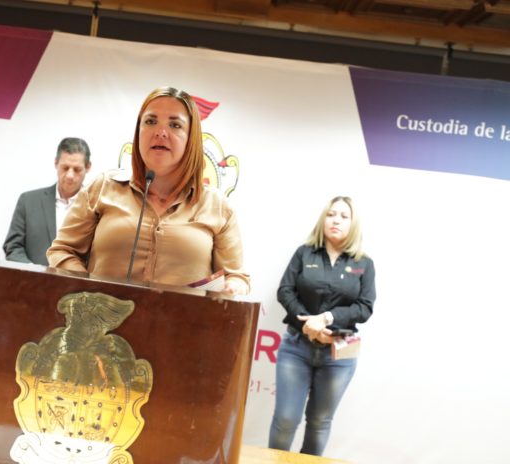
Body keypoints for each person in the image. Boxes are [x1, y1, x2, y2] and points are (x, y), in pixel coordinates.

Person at [47, 86, 249, 294]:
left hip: (181, 316)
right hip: (103, 314)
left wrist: (232, 287)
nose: (160, 132)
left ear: (191, 139)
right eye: (151, 121)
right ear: (138, 131)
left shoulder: (217, 205)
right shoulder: (104, 187)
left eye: (175, 125)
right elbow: (63, 250)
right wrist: (87, 288)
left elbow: (236, 277)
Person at [268, 196, 376, 456]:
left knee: (319, 423)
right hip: (296, 347)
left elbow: (364, 307)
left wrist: (326, 318)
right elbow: (285, 291)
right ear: (323, 219)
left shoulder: (364, 263)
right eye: (331, 214)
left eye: (343, 216)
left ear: (353, 224)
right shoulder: (304, 253)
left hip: (338, 354)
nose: (336, 220)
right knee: (286, 420)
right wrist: (308, 323)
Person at [3, 137, 92, 265]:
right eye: (65, 168)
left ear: (88, 167)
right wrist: (32, 271)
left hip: (77, 278)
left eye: (77, 169)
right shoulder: (28, 201)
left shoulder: (96, 208)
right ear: (56, 163)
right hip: (31, 277)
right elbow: (13, 247)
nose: (70, 175)